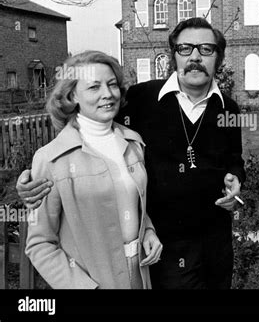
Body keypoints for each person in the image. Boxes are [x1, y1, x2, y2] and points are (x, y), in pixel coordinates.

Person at [17, 18, 245, 289]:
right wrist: (35, 181)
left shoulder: (229, 109)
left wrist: (236, 183)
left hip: (215, 245)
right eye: (185, 48)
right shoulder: (141, 99)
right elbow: (86, 129)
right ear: (173, 55)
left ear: (218, 57)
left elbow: (234, 160)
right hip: (164, 252)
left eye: (206, 49)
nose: (195, 57)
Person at [24, 50, 163, 289]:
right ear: (72, 95)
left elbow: (132, 203)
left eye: (112, 85)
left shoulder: (134, 143)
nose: (107, 94)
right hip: (91, 281)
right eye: (94, 87)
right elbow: (39, 244)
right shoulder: (51, 159)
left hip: (140, 274)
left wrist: (148, 231)